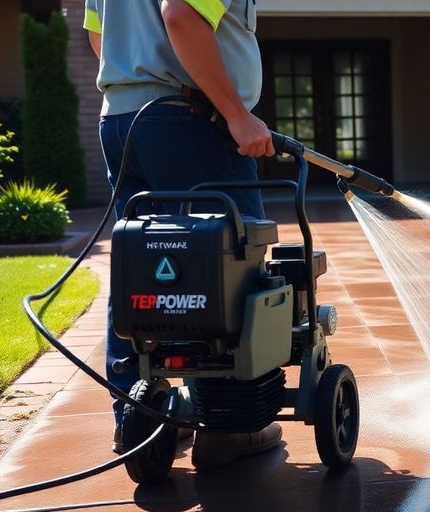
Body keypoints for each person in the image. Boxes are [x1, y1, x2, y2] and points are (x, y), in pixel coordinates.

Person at [83, 0, 281, 470]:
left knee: (140, 264)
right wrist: (235, 113)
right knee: (231, 259)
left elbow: (98, 35)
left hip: (122, 119)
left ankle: (138, 416)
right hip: (188, 119)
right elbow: (180, 14)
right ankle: (231, 425)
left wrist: (141, 83)